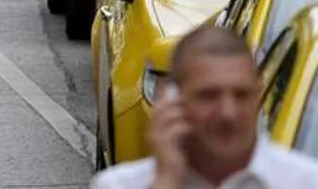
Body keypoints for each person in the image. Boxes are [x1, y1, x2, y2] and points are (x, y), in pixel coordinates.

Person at [90, 26, 318, 188]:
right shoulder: (118, 184)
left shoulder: (307, 181)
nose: (227, 113)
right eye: (208, 96)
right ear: (171, 99)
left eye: (241, 95)